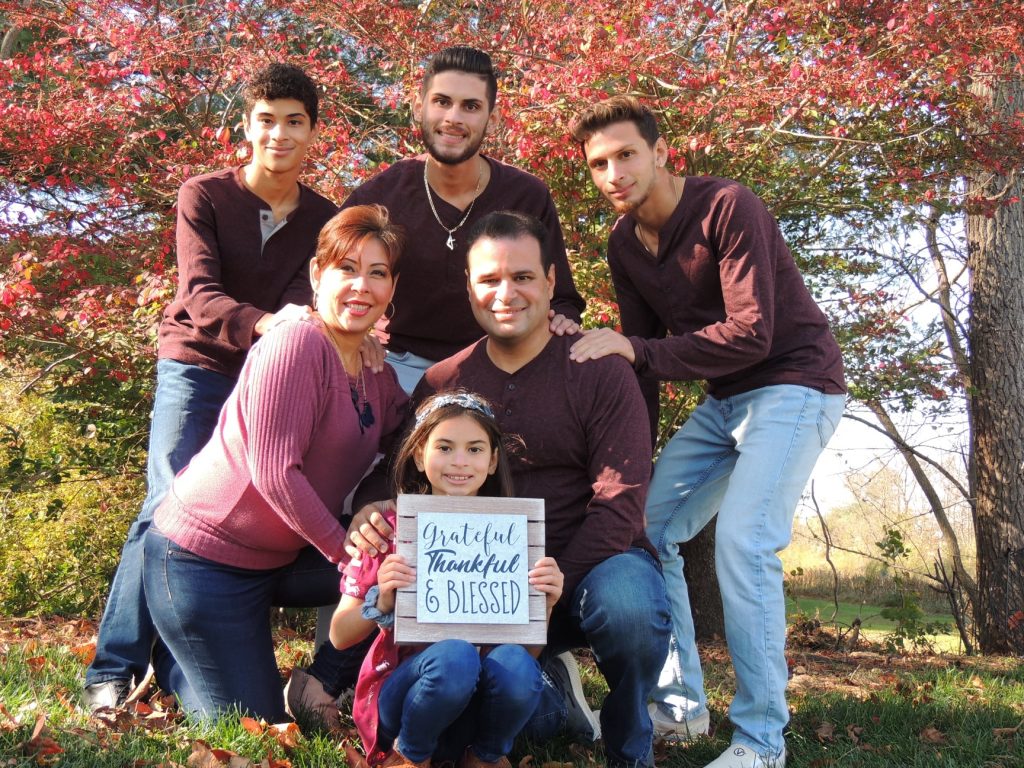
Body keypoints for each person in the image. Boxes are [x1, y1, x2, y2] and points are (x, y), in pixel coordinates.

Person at [568, 96, 847, 768]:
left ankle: (760, 741)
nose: (613, 173)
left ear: (661, 152)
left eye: (625, 155)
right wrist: (625, 463)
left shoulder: (728, 206)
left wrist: (636, 353)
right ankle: (679, 708)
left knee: (745, 545)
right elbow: (641, 358)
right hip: (725, 403)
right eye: (599, 164)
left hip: (795, 384)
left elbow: (752, 334)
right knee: (646, 527)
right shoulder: (621, 243)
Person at [84, 63, 338, 711]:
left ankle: (176, 667)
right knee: (166, 504)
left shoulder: (322, 217)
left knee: (220, 519)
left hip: (267, 377)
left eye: (294, 122)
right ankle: (111, 669)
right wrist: (265, 324)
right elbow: (198, 295)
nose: (279, 134)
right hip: (197, 364)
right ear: (245, 126)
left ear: (312, 132)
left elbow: (302, 302)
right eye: (266, 120)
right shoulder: (203, 195)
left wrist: (284, 334)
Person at [379, 211, 669, 768]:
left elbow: (621, 502)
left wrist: (548, 584)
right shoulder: (443, 382)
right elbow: (398, 470)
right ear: (469, 286)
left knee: (630, 602)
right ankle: (552, 686)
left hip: (589, 575)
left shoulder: (599, 369)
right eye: (488, 279)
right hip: (479, 596)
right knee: (507, 718)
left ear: (552, 282)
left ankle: (630, 739)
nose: (505, 293)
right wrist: (373, 509)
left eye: (523, 277)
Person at [141, 204, 408, 721]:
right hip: (202, 560)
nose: (361, 286)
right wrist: (345, 553)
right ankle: (178, 658)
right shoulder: (296, 343)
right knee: (257, 726)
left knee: (397, 571)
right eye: (346, 269)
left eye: (377, 273)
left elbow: (408, 433)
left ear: (392, 289)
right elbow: (274, 474)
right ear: (316, 274)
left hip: (279, 561)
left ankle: (327, 678)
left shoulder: (374, 367)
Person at [332, 391, 564, 768]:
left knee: (517, 665)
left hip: (475, 709)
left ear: (492, 462)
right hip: (401, 699)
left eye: (474, 450)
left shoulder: (510, 537)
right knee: (455, 655)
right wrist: (384, 601)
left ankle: (485, 757)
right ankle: (409, 757)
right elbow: (340, 635)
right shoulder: (389, 531)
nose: (460, 462)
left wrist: (545, 607)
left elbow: (524, 657)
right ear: (420, 455)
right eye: (444, 447)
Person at [340, 45, 585, 394]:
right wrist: (352, 336)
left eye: (470, 106)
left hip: (500, 361)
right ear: (418, 108)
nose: (453, 117)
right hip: (396, 364)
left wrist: (563, 322)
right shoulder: (380, 196)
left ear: (492, 119)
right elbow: (329, 282)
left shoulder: (526, 195)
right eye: (442, 101)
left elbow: (561, 298)